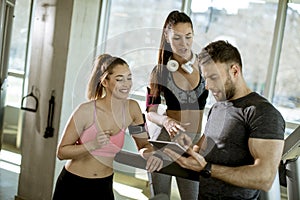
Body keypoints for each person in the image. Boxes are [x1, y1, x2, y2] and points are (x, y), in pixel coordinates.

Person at [164, 40, 285, 199]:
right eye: (205, 78)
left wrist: (207, 168)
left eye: (213, 77)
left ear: (235, 71)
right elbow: (201, 149)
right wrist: (187, 150)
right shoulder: (217, 108)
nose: (207, 86)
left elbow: (265, 177)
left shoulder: (262, 112)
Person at [52, 54, 163, 200]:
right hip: (73, 185)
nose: (127, 84)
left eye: (129, 78)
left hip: (103, 185)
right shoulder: (85, 111)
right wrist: (92, 144)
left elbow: (142, 143)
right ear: (105, 82)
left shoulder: (132, 109)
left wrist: (150, 154)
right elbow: (61, 152)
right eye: (119, 79)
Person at [146, 10, 209, 199]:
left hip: (194, 144)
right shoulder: (159, 72)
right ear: (167, 36)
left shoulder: (205, 65)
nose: (184, 44)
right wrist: (165, 121)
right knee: (161, 196)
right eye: (177, 38)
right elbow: (150, 112)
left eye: (188, 37)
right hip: (165, 142)